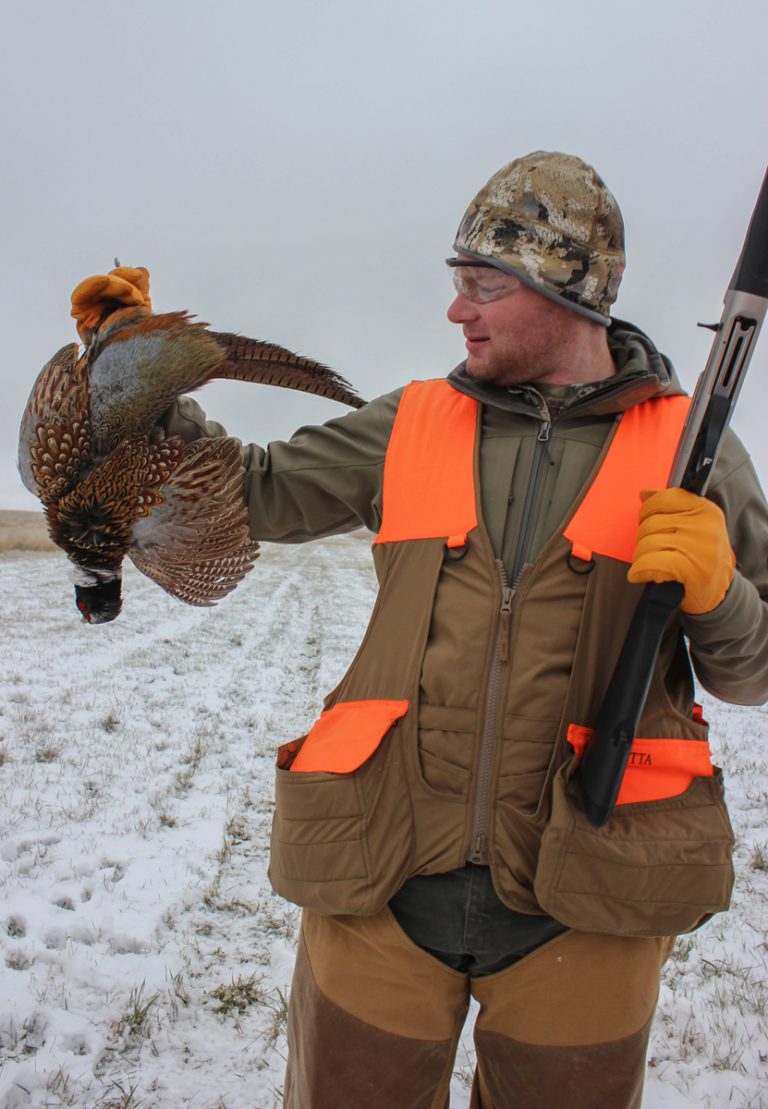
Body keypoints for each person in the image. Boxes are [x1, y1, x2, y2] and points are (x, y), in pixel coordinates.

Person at [71, 152, 768, 1109]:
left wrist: (720, 593)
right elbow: (249, 490)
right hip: (382, 883)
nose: (456, 310)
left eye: (484, 285)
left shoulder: (696, 450)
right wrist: (139, 376)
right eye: (457, 281)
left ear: (570, 291)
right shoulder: (412, 421)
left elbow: (752, 671)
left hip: (592, 902)